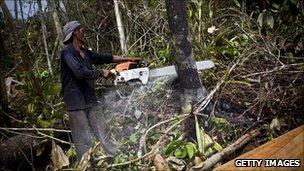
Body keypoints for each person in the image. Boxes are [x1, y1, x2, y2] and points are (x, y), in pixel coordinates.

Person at [60, 20, 140, 161]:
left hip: (90, 99)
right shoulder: (67, 52)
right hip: (76, 103)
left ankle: (116, 158)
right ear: (74, 34)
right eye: (80, 29)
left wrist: (128, 58)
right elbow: (80, 72)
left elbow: (106, 57)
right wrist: (102, 72)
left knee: (103, 130)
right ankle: (85, 165)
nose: (84, 31)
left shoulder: (86, 52)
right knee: (83, 138)